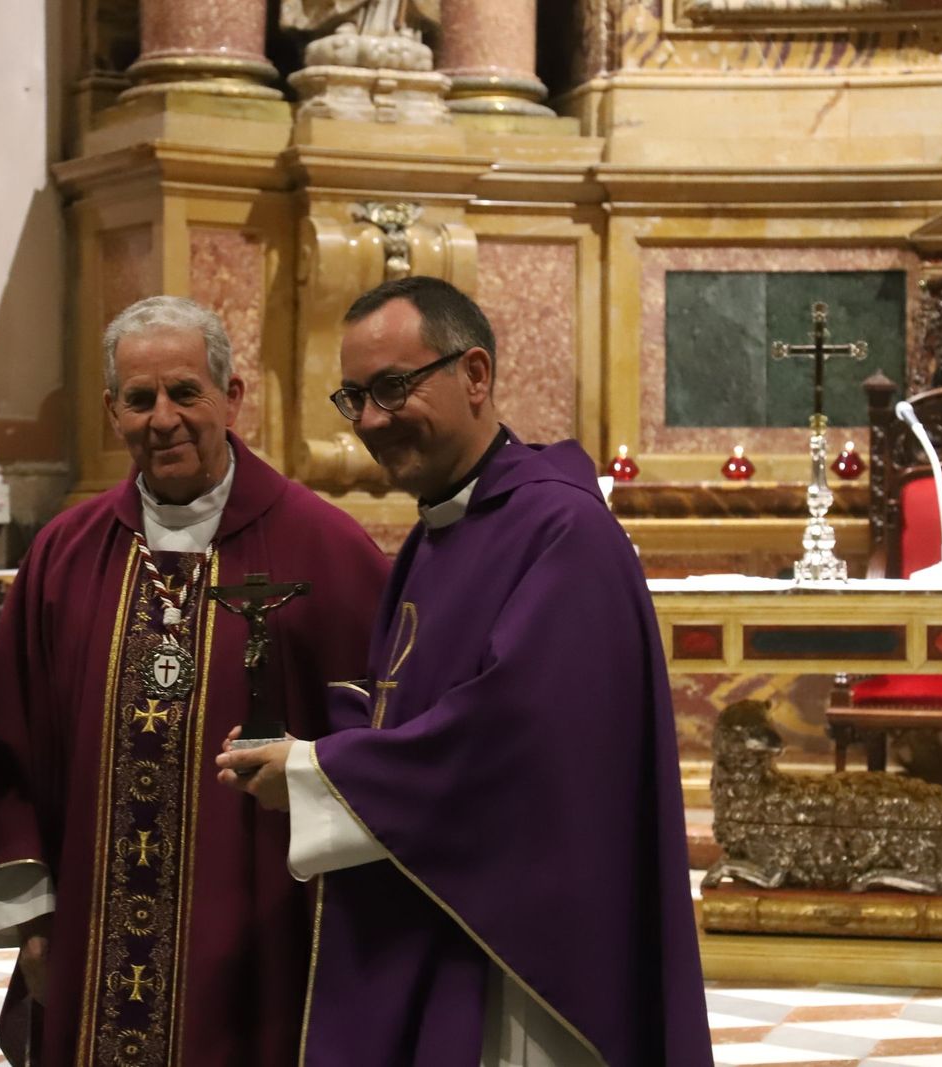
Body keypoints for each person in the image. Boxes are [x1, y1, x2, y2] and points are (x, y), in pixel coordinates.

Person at [216, 276, 712, 1065]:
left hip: (527, 954)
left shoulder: (562, 529)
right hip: (450, 920)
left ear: (475, 374)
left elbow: (514, 741)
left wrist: (316, 773)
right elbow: (414, 705)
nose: (371, 420)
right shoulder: (443, 527)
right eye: (354, 397)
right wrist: (311, 742)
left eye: (392, 387)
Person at [0, 296, 389, 1066]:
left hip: (265, 936)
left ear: (232, 397)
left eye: (186, 392)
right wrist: (31, 920)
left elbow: (382, 747)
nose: (163, 418)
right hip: (91, 930)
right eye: (139, 399)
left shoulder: (329, 553)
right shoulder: (65, 555)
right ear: (113, 410)